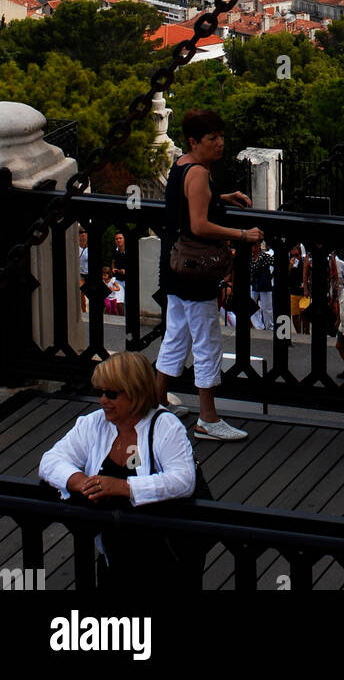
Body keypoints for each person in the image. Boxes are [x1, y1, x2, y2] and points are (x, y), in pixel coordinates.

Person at [39, 352, 197, 585]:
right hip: (112, 554)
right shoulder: (95, 423)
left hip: (162, 557)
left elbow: (183, 480)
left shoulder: (165, 426)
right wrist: (82, 481)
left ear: (135, 392)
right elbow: (50, 460)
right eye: (99, 392)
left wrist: (123, 487)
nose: (102, 400)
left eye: (111, 394)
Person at [155, 109, 262, 442]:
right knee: (206, 342)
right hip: (195, 272)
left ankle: (155, 405)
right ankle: (208, 419)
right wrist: (242, 236)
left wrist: (221, 198)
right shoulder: (199, 173)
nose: (220, 143)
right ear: (193, 141)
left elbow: (187, 207)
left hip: (175, 265)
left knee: (176, 337)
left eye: (220, 136)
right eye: (212, 138)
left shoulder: (181, 165)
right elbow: (199, 225)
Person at [250, 240, 274, 331]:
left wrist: (271, 275)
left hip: (265, 283)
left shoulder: (265, 256)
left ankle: (270, 327)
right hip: (254, 284)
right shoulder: (250, 257)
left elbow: (275, 264)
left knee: (267, 308)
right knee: (251, 305)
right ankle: (259, 326)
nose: (253, 248)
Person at [112, 232, 127, 314]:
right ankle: (122, 318)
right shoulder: (115, 251)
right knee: (118, 301)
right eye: (116, 238)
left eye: (120, 238)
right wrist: (113, 268)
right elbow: (113, 262)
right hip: (118, 280)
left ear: (124, 239)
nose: (118, 240)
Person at [78, 229, 88, 314]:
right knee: (81, 292)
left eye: (85, 232)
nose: (83, 234)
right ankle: (84, 312)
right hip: (80, 274)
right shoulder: (75, 248)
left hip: (89, 274)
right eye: (81, 232)